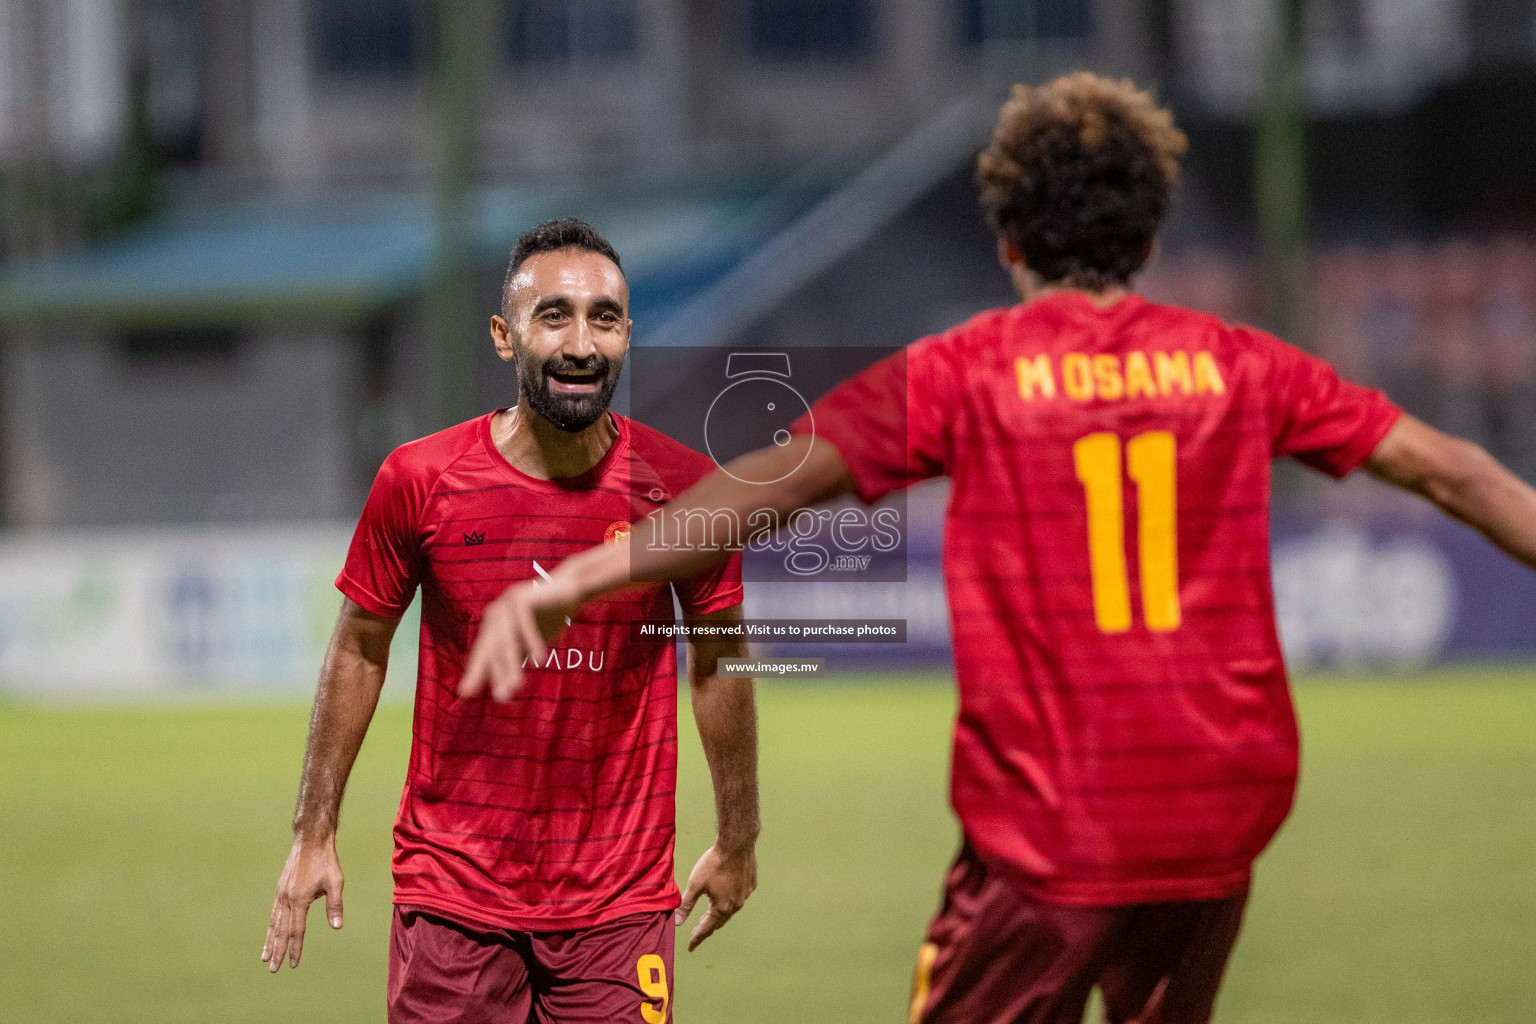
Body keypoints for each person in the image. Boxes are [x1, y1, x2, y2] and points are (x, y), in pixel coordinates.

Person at [458, 77, 1536, 1024]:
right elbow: (1458, 472)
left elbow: (766, 488)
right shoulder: (1242, 362)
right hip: (1222, 812)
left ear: (1010, 242)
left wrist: (587, 574)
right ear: (1150, 240)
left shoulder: (969, 371)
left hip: (1052, 834)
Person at [260, 218, 759, 1024]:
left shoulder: (686, 492)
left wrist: (739, 838)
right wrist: (313, 829)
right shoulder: (420, 480)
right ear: (504, 335)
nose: (581, 343)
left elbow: (718, 663)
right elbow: (359, 646)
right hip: (454, 896)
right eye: (553, 314)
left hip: (618, 905)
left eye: (603, 317)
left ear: (629, 333)